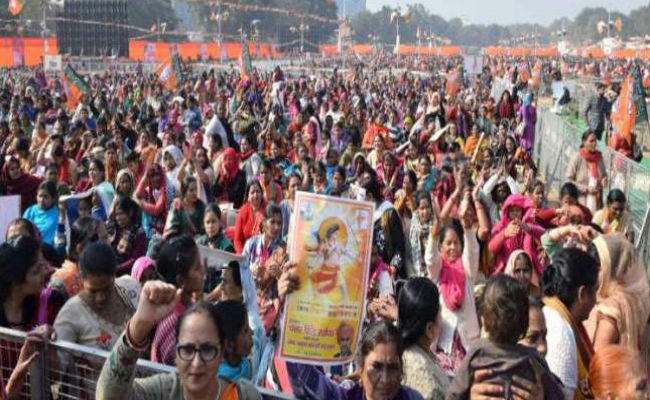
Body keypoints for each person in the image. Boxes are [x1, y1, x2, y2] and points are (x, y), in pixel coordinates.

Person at [96, 281, 261, 400]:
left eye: (207, 350)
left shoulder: (244, 395)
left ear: (222, 350)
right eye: (187, 350)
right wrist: (138, 327)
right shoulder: (165, 391)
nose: (197, 363)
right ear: (176, 353)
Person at [447, 275, 563, 400]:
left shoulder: (477, 352)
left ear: (483, 319)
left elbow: (453, 394)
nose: (542, 347)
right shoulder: (533, 360)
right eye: (532, 337)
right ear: (524, 324)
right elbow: (557, 395)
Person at [287, 321, 425, 400]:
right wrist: (291, 311)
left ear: (401, 371)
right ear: (361, 369)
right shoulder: (346, 397)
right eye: (376, 367)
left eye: (393, 367)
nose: (385, 379)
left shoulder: (413, 398)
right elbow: (305, 380)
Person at [54, 242, 140, 351]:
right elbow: (59, 359)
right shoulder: (69, 315)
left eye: (107, 289)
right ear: (81, 279)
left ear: (114, 276)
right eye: (93, 291)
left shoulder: (130, 291)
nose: (100, 298)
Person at [424, 208, 480, 375]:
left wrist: (468, 230)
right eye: (448, 243)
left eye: (456, 243)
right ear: (441, 247)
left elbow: (472, 253)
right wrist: (434, 231)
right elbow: (430, 258)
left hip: (467, 345)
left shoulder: (467, 270)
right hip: (442, 346)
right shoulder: (437, 270)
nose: (453, 247)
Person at [541, 247, 599, 400]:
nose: (596, 300)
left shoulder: (551, 312)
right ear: (582, 294)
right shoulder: (561, 332)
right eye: (595, 291)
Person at [585, 234, 650, 352]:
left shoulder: (610, 311)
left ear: (610, 269)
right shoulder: (632, 297)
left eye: (596, 268)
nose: (591, 274)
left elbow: (598, 357)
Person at [150, 235, 206, 366]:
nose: (203, 270)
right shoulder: (177, 321)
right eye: (197, 268)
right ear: (181, 280)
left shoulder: (180, 307)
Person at [398, 278, 449, 400]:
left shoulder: (400, 352)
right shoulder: (426, 380)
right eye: (440, 313)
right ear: (429, 329)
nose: (442, 319)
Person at [241, 204, 285, 333]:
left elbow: (285, 281)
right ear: (264, 222)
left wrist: (279, 275)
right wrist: (250, 270)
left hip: (270, 302)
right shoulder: (251, 244)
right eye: (272, 222)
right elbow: (240, 271)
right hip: (250, 298)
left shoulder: (283, 249)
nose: (276, 227)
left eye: (279, 223)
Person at [49, 216, 108, 299]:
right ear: (80, 249)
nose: (108, 245)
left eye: (107, 238)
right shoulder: (62, 280)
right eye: (103, 240)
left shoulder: (101, 274)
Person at [566, 130, 607, 213]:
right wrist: (586, 189)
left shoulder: (599, 157)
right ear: (584, 142)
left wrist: (604, 180)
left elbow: (604, 175)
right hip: (581, 201)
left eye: (595, 141)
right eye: (591, 141)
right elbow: (568, 180)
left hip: (597, 201)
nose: (594, 143)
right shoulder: (577, 157)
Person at [107, 197, 147, 276]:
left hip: (128, 275)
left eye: (121, 214)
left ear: (130, 213)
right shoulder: (115, 231)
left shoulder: (138, 233)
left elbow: (135, 260)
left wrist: (116, 268)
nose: (118, 218)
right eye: (116, 214)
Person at [22, 181, 59, 246]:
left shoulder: (58, 215)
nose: (42, 200)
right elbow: (22, 229)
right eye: (40, 196)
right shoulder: (30, 211)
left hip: (48, 249)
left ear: (53, 199)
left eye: (46, 197)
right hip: (30, 247)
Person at [233, 181, 266, 254]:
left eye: (258, 191)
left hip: (264, 252)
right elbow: (237, 240)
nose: (255, 195)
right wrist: (243, 255)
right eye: (252, 192)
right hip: (246, 253)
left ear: (262, 194)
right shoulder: (243, 211)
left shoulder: (267, 211)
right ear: (248, 197)